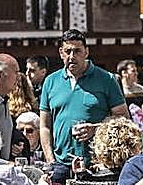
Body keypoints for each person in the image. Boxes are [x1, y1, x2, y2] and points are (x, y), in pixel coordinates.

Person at [39, 30, 127, 168]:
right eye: (68, 51)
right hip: (60, 164)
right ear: (61, 53)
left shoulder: (106, 79)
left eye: (77, 51)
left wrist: (96, 128)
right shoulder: (50, 81)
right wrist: (51, 160)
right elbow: (45, 126)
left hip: (97, 163)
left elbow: (123, 119)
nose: (72, 56)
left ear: (86, 52)